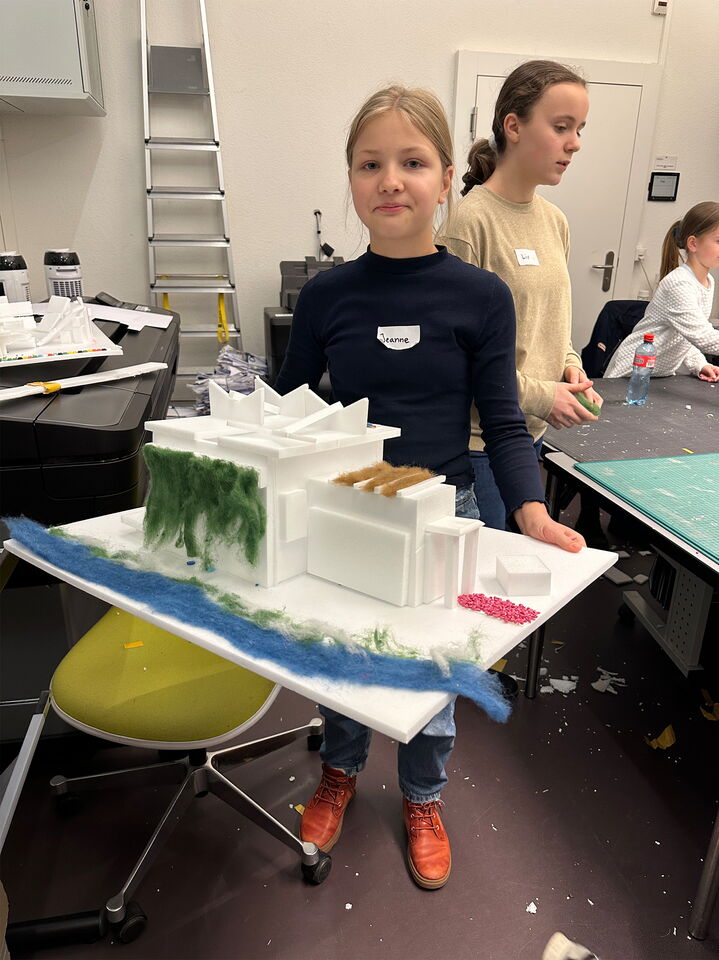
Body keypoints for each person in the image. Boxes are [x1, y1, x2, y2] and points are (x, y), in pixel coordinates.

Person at [274, 84, 585, 891]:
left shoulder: (479, 297)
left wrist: (530, 511)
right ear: (351, 179)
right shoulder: (326, 296)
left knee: (433, 669)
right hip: (351, 510)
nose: (390, 180)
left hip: (447, 510)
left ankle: (422, 797)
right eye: (369, 164)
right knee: (348, 657)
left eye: (411, 163)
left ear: (446, 178)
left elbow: (503, 422)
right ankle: (338, 772)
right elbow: (288, 411)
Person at [437, 60, 603, 531]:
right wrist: (542, 395)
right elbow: (453, 359)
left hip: (531, 433)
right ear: (513, 126)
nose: (575, 143)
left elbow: (553, 320)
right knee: (485, 572)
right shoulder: (469, 224)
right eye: (561, 127)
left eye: (579, 129)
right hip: (481, 445)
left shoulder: (554, 221)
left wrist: (570, 364)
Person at [606, 201, 719, 381]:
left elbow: (684, 335)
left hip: (657, 377)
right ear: (693, 243)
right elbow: (703, 336)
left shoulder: (708, 282)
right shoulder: (679, 283)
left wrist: (699, 364)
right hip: (630, 374)